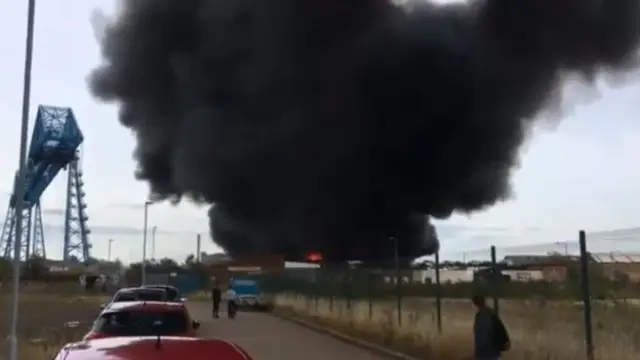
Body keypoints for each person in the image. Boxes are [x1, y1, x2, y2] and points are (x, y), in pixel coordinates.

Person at [472, 295, 510, 360]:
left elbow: (500, 329)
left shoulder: (487, 315)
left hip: (489, 350)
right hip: (484, 351)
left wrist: (506, 341)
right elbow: (501, 328)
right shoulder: (481, 315)